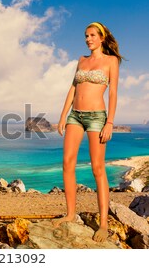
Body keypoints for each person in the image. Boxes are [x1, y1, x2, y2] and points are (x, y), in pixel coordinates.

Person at [53, 22, 124, 242]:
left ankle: (103, 224)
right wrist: (64, 114)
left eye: (92, 35)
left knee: (97, 168)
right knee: (67, 163)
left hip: (97, 118)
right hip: (76, 115)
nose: (88, 38)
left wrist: (110, 122)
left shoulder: (111, 61)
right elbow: (73, 88)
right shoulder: (81, 61)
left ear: (102, 38)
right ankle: (70, 214)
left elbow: (112, 93)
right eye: (86, 35)